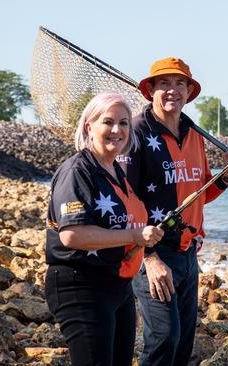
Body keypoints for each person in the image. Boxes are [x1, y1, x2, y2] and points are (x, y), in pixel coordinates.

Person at [122, 57, 228, 365]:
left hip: (188, 253)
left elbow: (200, 194)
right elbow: (123, 201)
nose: (172, 91)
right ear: (150, 89)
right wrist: (148, 258)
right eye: (163, 83)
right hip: (151, 252)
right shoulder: (136, 132)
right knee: (163, 339)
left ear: (190, 91)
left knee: (182, 344)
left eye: (180, 84)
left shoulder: (194, 134)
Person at [44, 93, 164, 365]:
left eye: (123, 123)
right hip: (81, 284)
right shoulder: (77, 170)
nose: (116, 130)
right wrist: (134, 235)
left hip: (117, 285)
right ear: (89, 127)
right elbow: (72, 235)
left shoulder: (115, 170)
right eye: (107, 122)